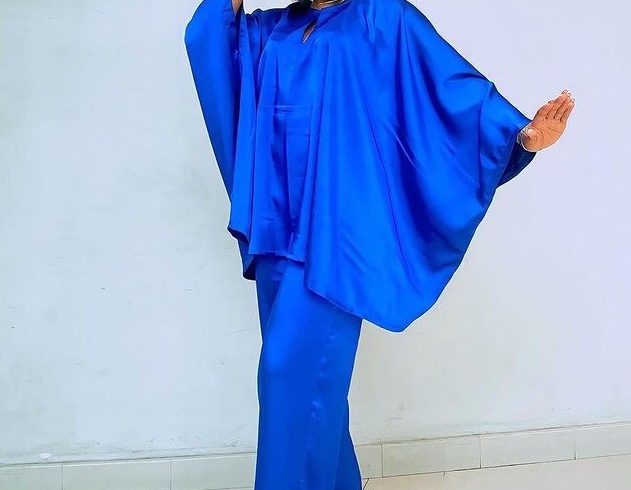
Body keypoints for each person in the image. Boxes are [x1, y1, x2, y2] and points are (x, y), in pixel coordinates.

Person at [184, 0, 575, 487]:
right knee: (309, 391)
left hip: (334, 241)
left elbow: (449, 89)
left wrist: (520, 136)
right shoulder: (273, 29)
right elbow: (208, 37)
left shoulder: (383, 17)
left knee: (285, 374)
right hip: (276, 235)